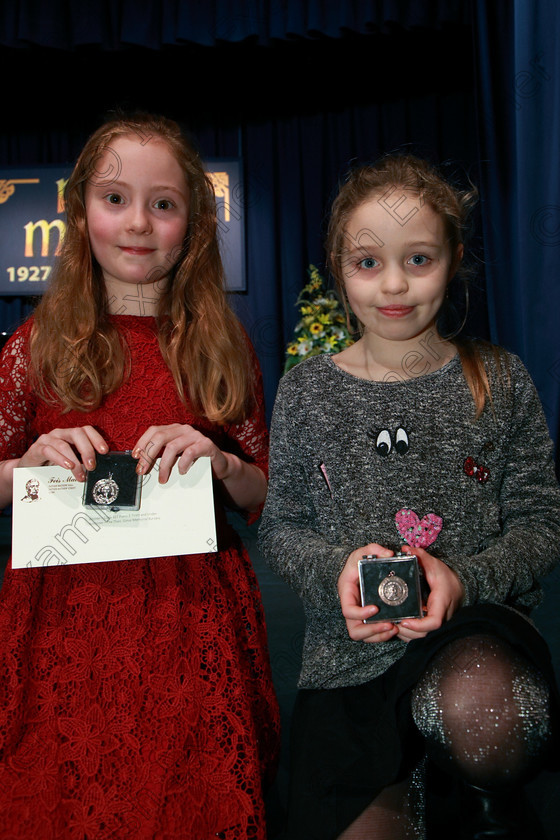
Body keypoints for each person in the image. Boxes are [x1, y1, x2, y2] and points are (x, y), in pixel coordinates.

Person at [259, 154, 560, 840]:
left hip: (476, 637)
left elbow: (543, 522)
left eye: (418, 259)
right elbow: (283, 528)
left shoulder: (501, 379)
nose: (393, 284)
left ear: (453, 260)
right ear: (339, 267)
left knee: (484, 714)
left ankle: (488, 797)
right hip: (349, 664)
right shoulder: (307, 390)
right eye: (368, 263)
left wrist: (465, 578)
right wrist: (333, 570)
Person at [0, 112, 280, 839]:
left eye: (164, 204)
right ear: (78, 211)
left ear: (193, 223)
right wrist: (24, 468)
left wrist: (221, 464)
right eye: (115, 198)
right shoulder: (35, 346)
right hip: (64, 617)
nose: (137, 224)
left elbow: (269, 489)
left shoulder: (220, 343)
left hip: (192, 623)